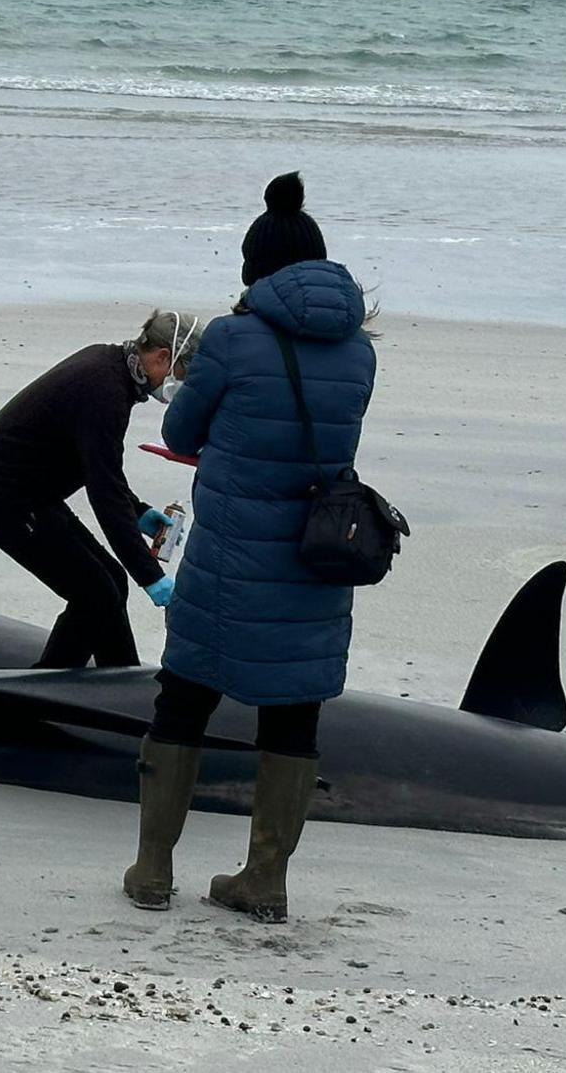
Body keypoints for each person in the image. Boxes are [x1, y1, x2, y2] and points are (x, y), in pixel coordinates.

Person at [123, 171, 376, 921]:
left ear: (253, 269)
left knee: (185, 698)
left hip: (231, 557)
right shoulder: (360, 354)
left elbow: (178, 434)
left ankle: (153, 869)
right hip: (313, 557)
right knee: (294, 714)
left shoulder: (232, 340)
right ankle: (265, 880)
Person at [0, 310, 203, 668]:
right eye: (182, 373)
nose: (180, 383)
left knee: (112, 583)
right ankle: (41, 696)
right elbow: (103, 492)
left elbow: (99, 469)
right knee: (95, 596)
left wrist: (137, 513)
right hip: (1, 500)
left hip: (33, 495)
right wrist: (151, 577)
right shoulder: (105, 390)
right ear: (163, 357)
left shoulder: (110, 367)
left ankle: (120, 682)